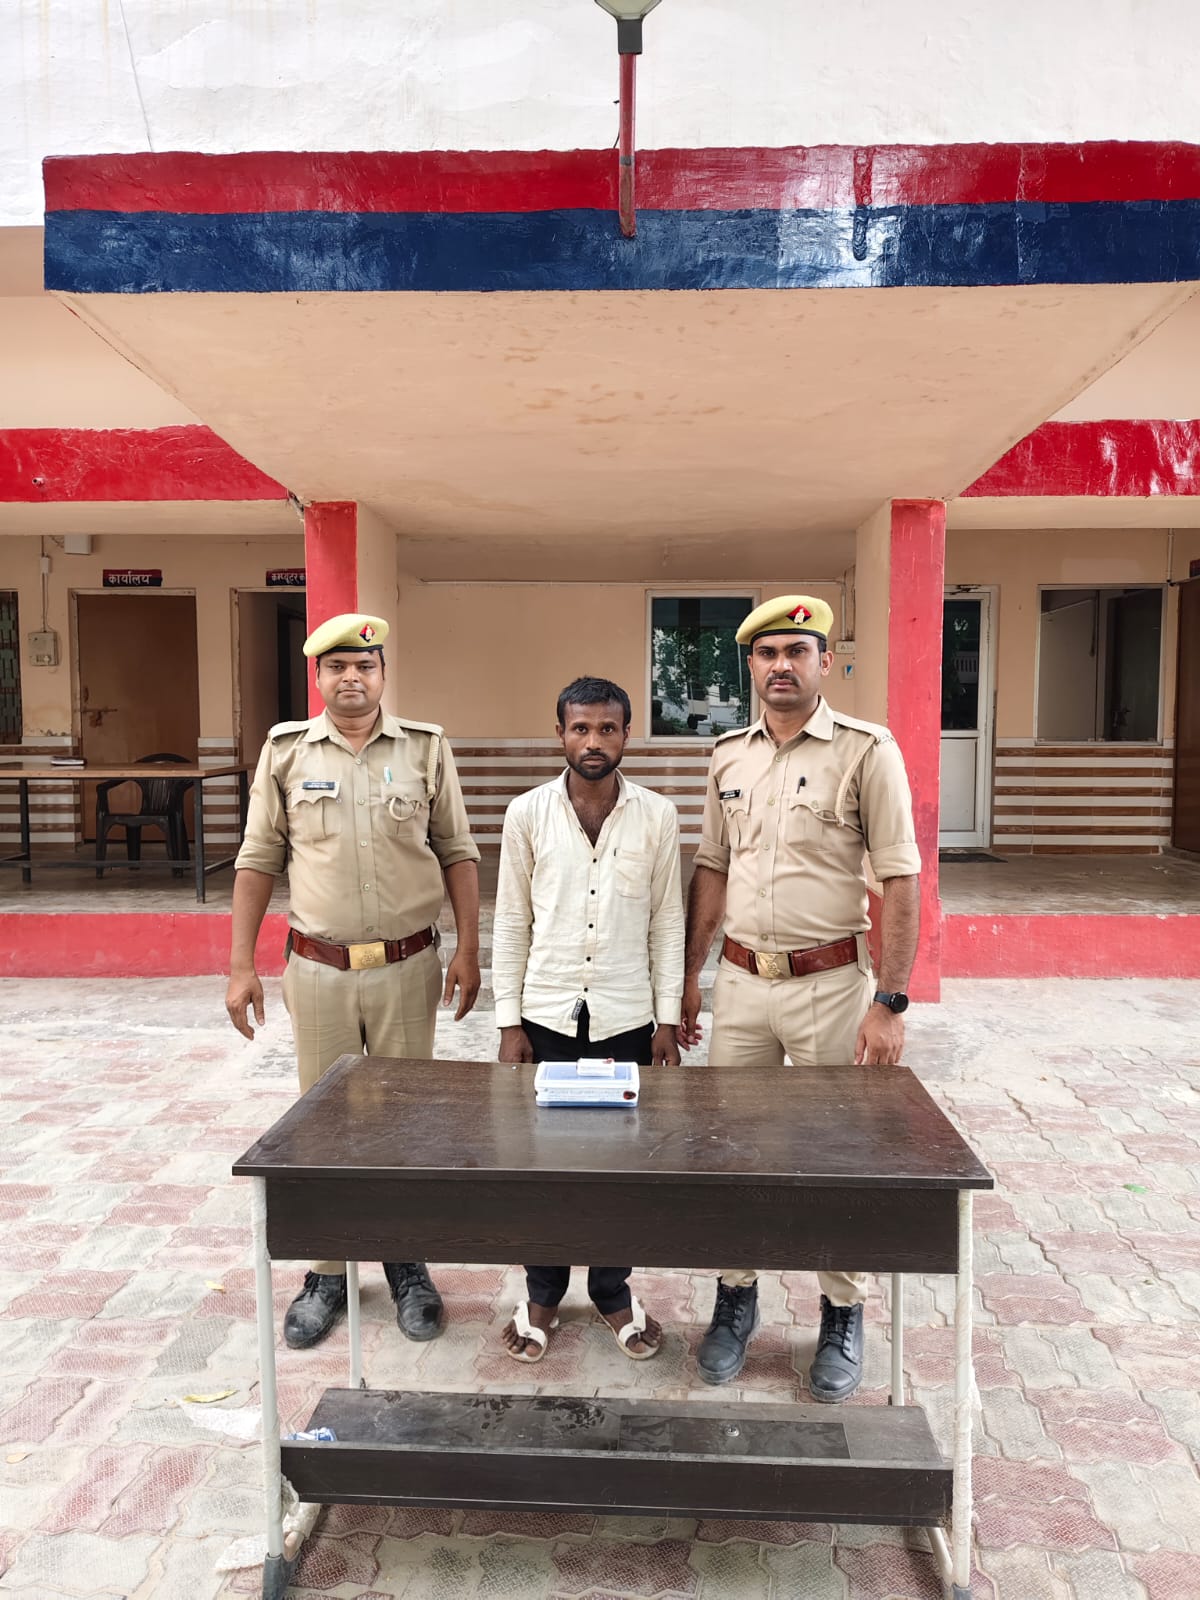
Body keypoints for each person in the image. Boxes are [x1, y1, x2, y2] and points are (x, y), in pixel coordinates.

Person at [679, 595, 921, 1396]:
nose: (781, 665)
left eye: (797, 650)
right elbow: (713, 867)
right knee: (732, 1153)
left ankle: (842, 1311)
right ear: (749, 664)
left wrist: (890, 1001)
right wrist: (689, 979)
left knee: (834, 1154)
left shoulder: (866, 750)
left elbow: (900, 879)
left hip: (831, 986)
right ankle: (735, 1299)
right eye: (766, 652)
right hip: (743, 985)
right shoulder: (728, 756)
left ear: (824, 661)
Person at [225, 612, 482, 1350]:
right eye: (336, 666)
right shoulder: (285, 752)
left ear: (382, 674)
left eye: (364, 665)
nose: (351, 678)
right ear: (318, 677)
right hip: (320, 971)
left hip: (407, 968)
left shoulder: (426, 749)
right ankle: (328, 1271)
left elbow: (457, 850)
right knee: (323, 1125)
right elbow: (257, 858)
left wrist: (469, 949)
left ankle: (405, 1263)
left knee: (404, 1123)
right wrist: (240, 965)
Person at [493, 675, 684, 1363]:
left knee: (620, 1165)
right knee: (541, 1163)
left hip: (626, 1017)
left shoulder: (657, 816)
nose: (593, 741)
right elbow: (511, 919)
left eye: (607, 728)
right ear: (560, 734)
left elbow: (667, 921)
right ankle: (542, 1292)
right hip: (546, 1013)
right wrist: (509, 1023)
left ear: (627, 734)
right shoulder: (527, 814)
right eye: (580, 728)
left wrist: (666, 1022)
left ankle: (611, 1290)